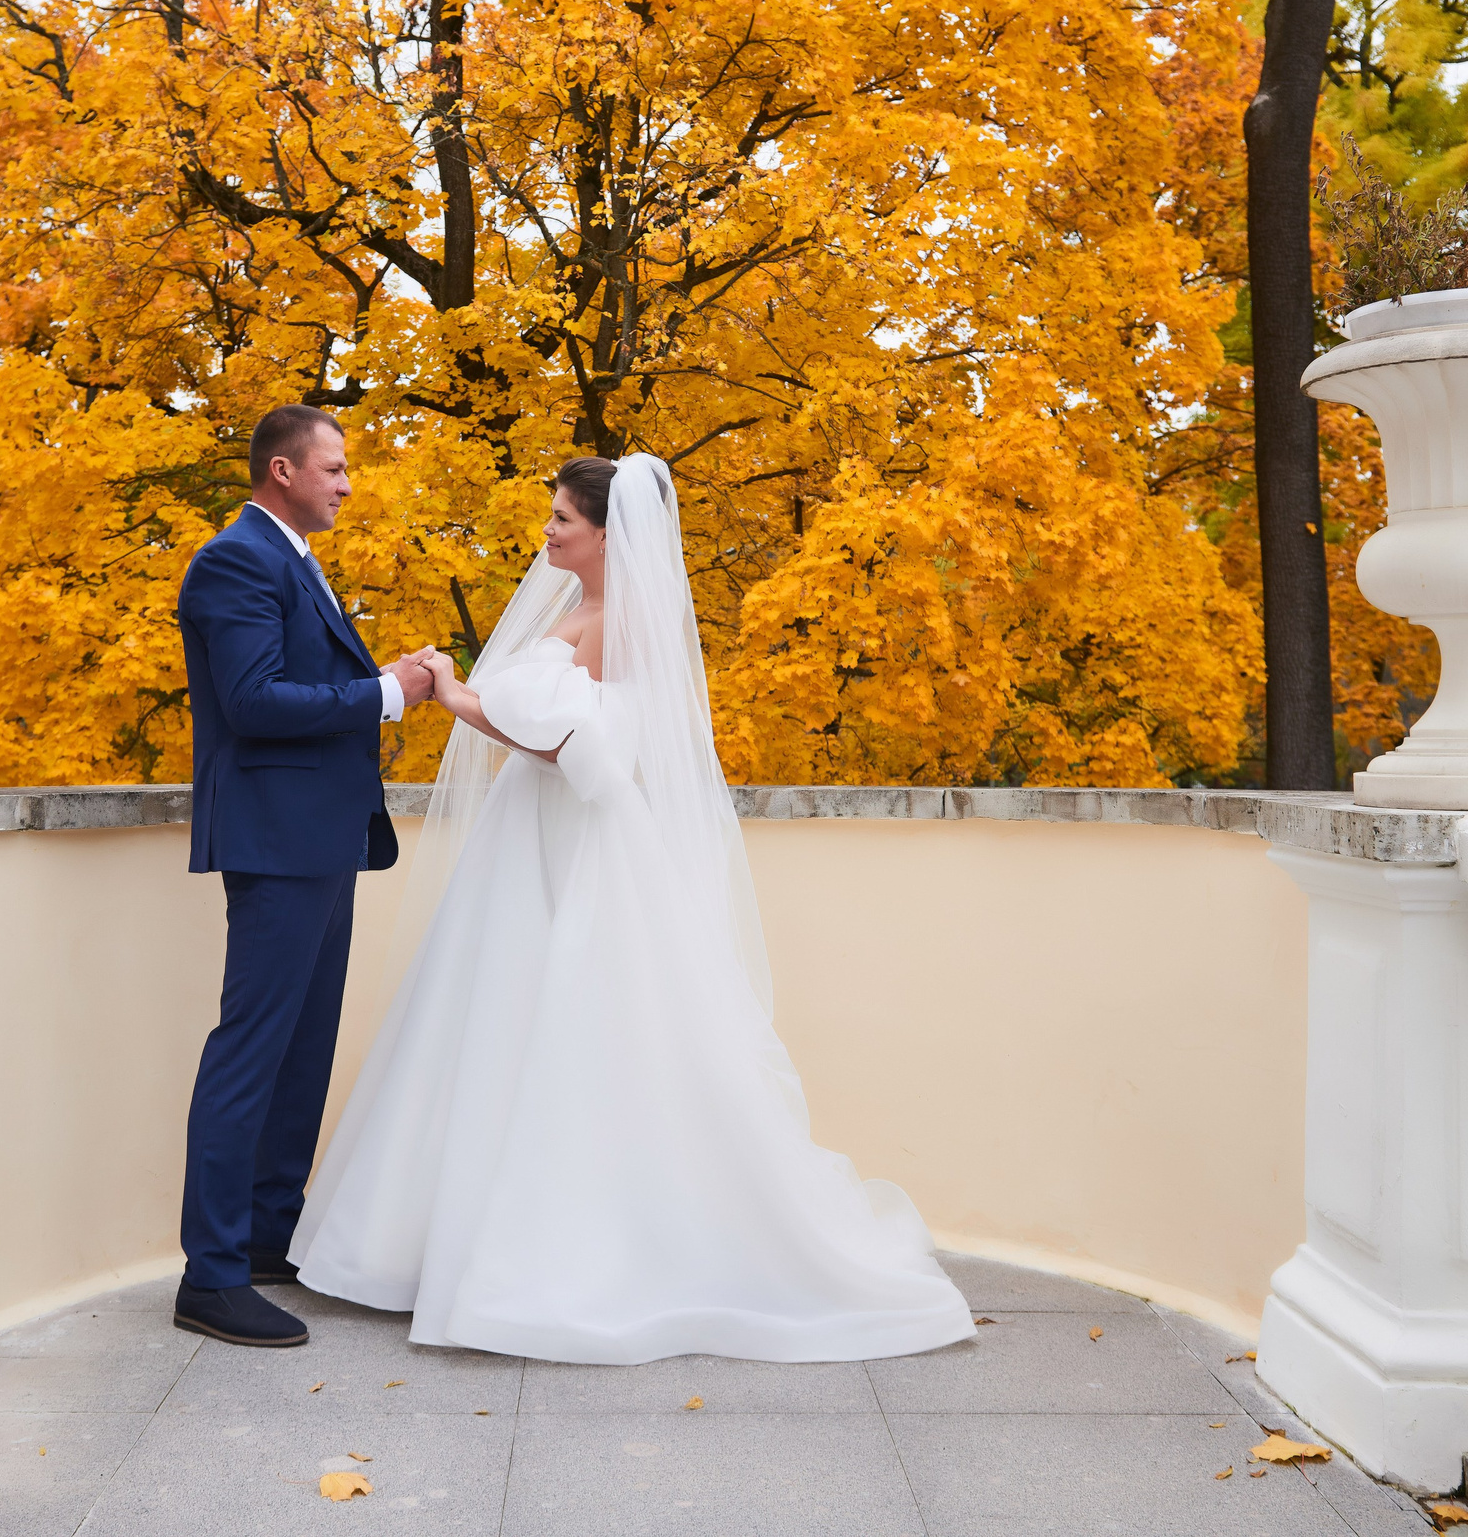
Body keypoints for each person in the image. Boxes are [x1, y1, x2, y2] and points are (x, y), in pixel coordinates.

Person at [290, 453, 972, 1363]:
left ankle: (564, 1257)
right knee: (496, 1023)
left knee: (578, 1030)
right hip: (532, 838)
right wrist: (464, 697)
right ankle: (450, 1244)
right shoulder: (579, 612)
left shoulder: (627, 622)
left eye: (563, 520)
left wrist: (456, 698)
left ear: (609, 534)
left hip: (584, 848)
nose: (548, 532)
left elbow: (584, 751)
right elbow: (546, 738)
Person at [170, 403, 437, 1349]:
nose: (347, 482)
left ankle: (267, 1235)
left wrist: (383, 680)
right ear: (282, 471)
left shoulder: (291, 559)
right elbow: (251, 702)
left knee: (301, 1047)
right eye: (333, 467)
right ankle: (210, 1275)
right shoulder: (237, 559)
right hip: (278, 842)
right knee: (251, 1050)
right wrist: (385, 694)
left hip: (321, 840)